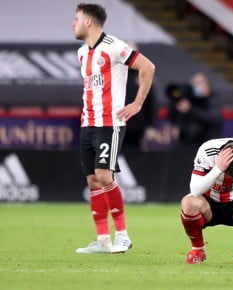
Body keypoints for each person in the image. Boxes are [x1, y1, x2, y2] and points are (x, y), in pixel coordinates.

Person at [71, 3, 155, 254]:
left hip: (110, 123)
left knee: (105, 175)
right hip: (88, 123)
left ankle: (123, 236)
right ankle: (102, 240)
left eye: (76, 18)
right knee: (93, 181)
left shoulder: (115, 47)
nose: (73, 23)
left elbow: (147, 67)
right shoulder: (82, 53)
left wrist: (138, 103)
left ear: (88, 21)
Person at [168, 72, 222, 148]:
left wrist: (189, 110)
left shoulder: (214, 99)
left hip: (207, 144)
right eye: (193, 83)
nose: (195, 86)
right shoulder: (189, 98)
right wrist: (176, 101)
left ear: (208, 86)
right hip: (187, 143)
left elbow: (212, 119)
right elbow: (172, 116)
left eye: (199, 83)